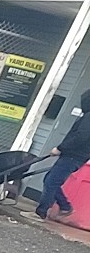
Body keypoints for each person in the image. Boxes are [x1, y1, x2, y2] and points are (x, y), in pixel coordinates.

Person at [36, 89, 90, 219]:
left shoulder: (89, 117)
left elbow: (81, 137)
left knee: (51, 182)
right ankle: (65, 207)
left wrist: (60, 148)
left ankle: (41, 212)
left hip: (73, 155)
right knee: (50, 180)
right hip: (77, 156)